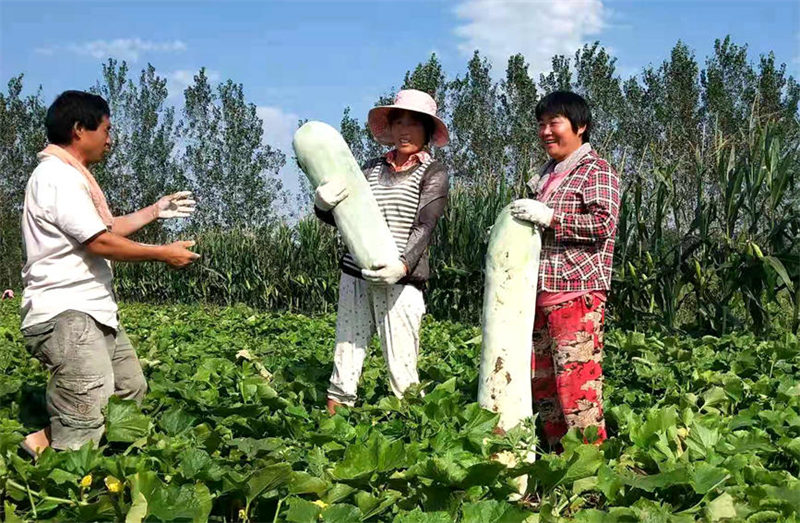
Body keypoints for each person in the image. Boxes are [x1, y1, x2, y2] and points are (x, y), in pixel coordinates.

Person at [20, 90, 200, 456]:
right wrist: (163, 253)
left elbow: (105, 228)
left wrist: (155, 210)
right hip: (66, 313)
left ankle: (38, 443)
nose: (109, 139)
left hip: (92, 312)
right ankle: (68, 488)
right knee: (86, 408)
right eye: (106, 129)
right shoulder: (57, 177)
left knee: (128, 389)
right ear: (78, 130)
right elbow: (98, 242)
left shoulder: (73, 177)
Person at [314, 89, 449, 414]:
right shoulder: (370, 169)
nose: (404, 131)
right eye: (398, 123)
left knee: (402, 363)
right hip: (355, 272)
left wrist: (402, 266)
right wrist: (322, 206)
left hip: (402, 279)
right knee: (347, 350)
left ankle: (411, 433)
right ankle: (333, 424)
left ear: (427, 131)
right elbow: (344, 216)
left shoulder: (434, 173)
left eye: (413, 124)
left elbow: (424, 226)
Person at [510, 91, 620, 449]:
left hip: (577, 291)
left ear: (581, 126)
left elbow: (603, 223)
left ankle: (589, 467)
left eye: (554, 123)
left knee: (577, 386)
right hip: (539, 293)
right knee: (543, 383)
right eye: (541, 124)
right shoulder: (543, 177)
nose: (545, 132)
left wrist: (553, 218)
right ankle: (559, 458)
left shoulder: (595, 170)